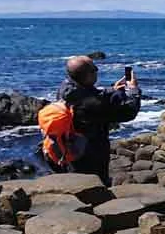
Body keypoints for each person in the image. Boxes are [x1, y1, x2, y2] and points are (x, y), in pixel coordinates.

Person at [55, 56, 141, 185]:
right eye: (95, 68)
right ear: (88, 75)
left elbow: (90, 94)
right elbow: (129, 112)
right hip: (91, 153)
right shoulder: (93, 103)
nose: (97, 70)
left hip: (70, 148)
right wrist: (134, 90)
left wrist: (113, 90)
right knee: (95, 185)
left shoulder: (64, 89)